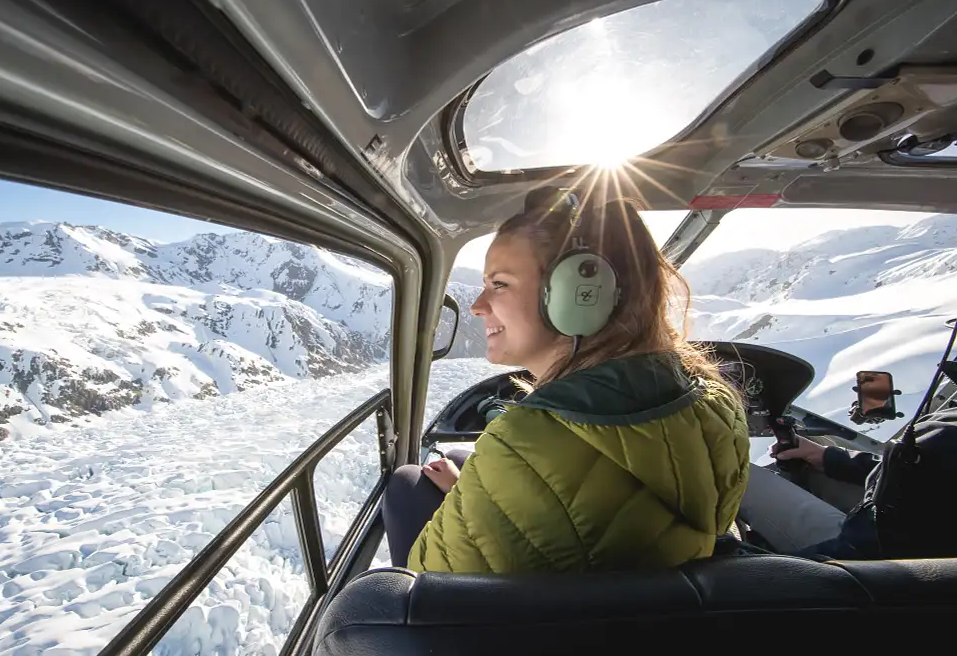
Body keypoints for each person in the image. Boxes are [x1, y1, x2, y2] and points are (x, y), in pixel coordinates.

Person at [382, 186, 751, 573]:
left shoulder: (521, 444)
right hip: (659, 606)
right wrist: (477, 494)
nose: (477, 306)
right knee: (461, 458)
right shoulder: (718, 405)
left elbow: (428, 577)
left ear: (578, 295)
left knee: (408, 485)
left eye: (499, 284)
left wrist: (482, 493)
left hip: (520, 628)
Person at [742, 407, 957, 560]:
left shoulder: (946, 437)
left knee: (742, 475)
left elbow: (862, 553)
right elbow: (909, 470)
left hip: (875, 563)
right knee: (818, 446)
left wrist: (755, 565)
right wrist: (828, 457)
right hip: (893, 527)